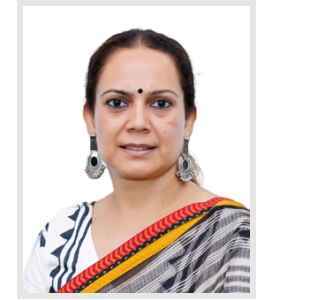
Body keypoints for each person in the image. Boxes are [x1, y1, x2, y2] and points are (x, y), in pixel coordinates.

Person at [23, 28, 250, 294]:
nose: (139, 123)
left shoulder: (234, 237)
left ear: (188, 120)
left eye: (161, 104)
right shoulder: (58, 238)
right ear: (90, 118)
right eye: (117, 103)